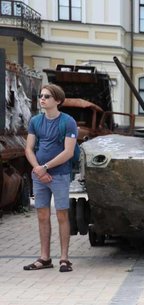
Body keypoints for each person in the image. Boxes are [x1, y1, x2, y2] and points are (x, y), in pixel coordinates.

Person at [23, 84, 78, 272]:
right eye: (41, 96)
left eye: (47, 96)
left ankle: (64, 258)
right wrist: (38, 170)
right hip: (39, 175)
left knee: (62, 214)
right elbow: (29, 149)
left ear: (58, 101)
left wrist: (45, 168)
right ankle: (44, 258)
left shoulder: (68, 122)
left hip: (60, 175)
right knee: (42, 215)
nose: (42, 99)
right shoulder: (35, 121)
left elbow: (68, 152)